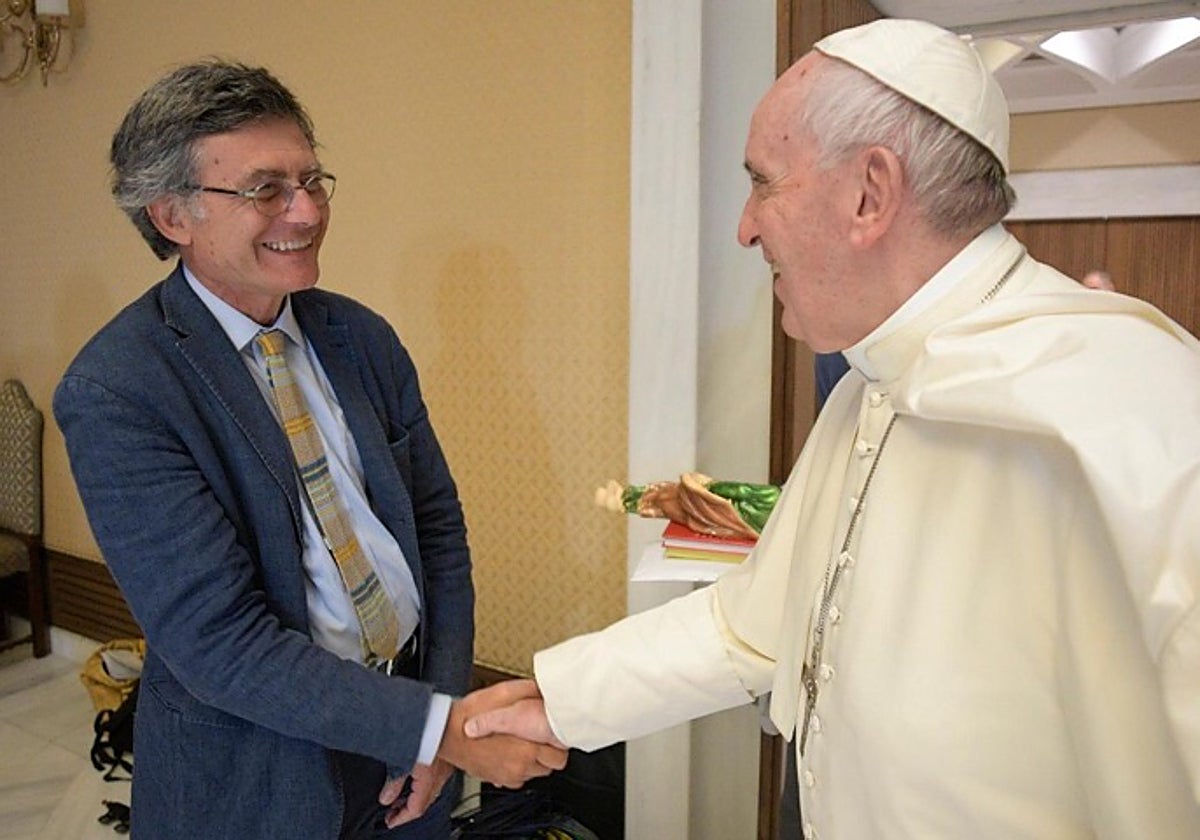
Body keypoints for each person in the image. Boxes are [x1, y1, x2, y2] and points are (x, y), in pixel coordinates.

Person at [463, 18, 1200, 838]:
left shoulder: (1138, 406)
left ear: (869, 194)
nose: (744, 226)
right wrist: (557, 703)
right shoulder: (867, 386)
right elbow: (755, 621)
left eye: (764, 183)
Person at [54, 60, 564, 840]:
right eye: (266, 189)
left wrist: (433, 723)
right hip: (254, 777)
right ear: (172, 216)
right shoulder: (120, 389)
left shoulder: (360, 337)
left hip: (404, 750)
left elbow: (437, 535)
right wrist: (437, 727)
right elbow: (221, 642)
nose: (306, 210)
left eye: (312, 179)